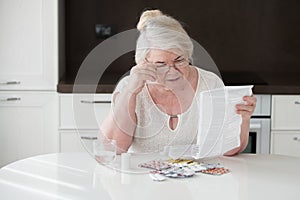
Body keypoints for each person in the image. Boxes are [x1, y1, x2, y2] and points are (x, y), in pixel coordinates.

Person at [100, 9, 256, 155]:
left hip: (197, 180)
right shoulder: (130, 86)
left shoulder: (210, 84)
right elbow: (112, 149)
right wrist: (129, 92)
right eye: (161, 64)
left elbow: (230, 150)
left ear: (188, 55)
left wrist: (244, 118)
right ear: (143, 62)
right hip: (144, 181)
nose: (172, 71)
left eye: (179, 60)